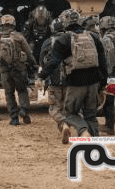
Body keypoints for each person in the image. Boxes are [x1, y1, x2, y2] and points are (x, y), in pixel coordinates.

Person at [40, 9, 107, 142]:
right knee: (90, 114)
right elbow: (103, 62)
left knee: (69, 113)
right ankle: (96, 141)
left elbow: (53, 62)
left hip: (76, 81)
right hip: (94, 81)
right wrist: (103, 83)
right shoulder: (93, 37)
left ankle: (83, 131)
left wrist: (41, 76)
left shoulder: (63, 40)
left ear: (64, 22)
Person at [0, 14, 35, 126]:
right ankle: (24, 110)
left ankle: (14, 118)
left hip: (4, 71)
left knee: (9, 94)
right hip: (19, 69)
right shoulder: (19, 37)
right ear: (13, 24)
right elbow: (28, 53)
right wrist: (33, 64)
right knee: (22, 90)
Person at [38, 17, 69, 142]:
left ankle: (63, 124)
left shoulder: (47, 42)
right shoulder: (70, 39)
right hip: (69, 79)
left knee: (54, 108)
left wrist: (42, 77)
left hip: (53, 80)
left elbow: (42, 61)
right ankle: (66, 126)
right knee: (67, 106)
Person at [23, 4, 52, 82]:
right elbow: (25, 37)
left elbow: (55, 34)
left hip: (46, 42)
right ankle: (31, 71)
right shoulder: (29, 23)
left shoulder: (51, 22)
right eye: (39, 16)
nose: (41, 18)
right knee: (29, 49)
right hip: (33, 43)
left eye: (43, 16)